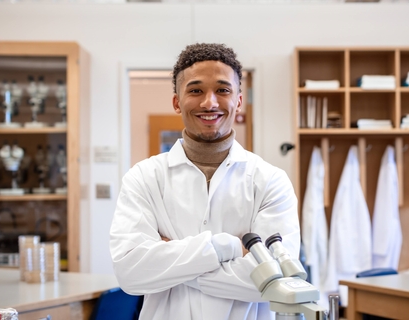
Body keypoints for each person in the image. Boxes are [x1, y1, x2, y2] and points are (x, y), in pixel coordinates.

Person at [110, 43, 300, 320]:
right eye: (195, 90)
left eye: (223, 90)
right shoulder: (144, 177)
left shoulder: (270, 180)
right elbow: (130, 274)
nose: (209, 102)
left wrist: (169, 262)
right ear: (177, 102)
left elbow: (276, 281)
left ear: (238, 100)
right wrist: (231, 247)